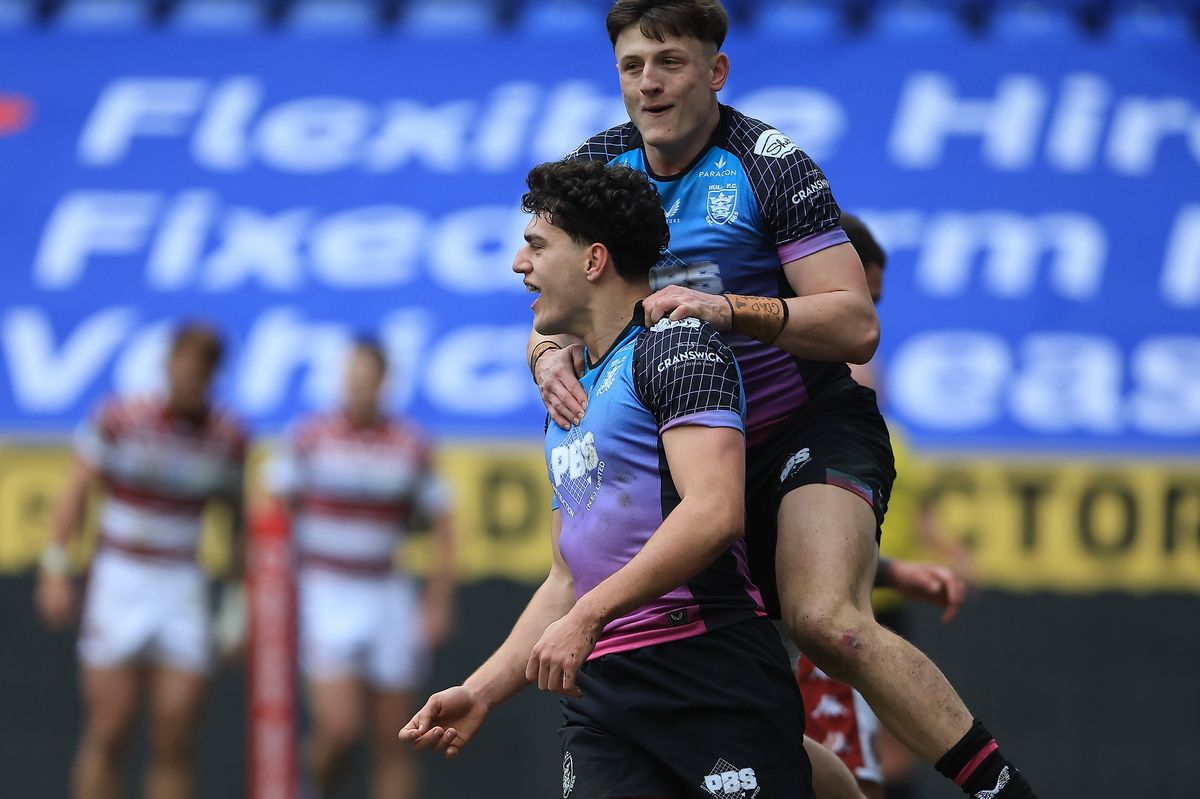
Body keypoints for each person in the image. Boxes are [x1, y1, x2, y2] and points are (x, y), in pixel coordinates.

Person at [528, 3, 1037, 797]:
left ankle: (1006, 791)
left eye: (670, 62)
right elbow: (549, 293)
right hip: (695, 457)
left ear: (716, 71)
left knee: (826, 621)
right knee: (720, 691)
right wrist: (542, 354)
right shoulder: (598, 165)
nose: (649, 83)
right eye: (632, 65)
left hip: (803, 427)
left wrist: (731, 309)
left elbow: (857, 324)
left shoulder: (771, 164)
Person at [403, 158, 817, 797]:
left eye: (537, 245)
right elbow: (567, 580)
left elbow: (713, 513)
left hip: (707, 670)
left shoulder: (678, 348)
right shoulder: (568, 394)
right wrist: (480, 692)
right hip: (602, 697)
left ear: (594, 260)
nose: (518, 263)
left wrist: (589, 616)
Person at [788, 213, 976, 799]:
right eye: (859, 301)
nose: (866, 333)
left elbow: (916, 516)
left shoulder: (889, 442)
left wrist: (920, 564)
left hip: (865, 601)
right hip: (798, 608)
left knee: (865, 747)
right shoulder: (755, 414)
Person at [36, 322, 248, 799]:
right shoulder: (120, 418)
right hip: (121, 577)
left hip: (182, 583)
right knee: (110, 727)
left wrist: (236, 604)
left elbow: (237, 523)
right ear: (167, 362)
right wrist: (55, 568)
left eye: (201, 369)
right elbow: (77, 491)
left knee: (175, 735)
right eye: (183, 364)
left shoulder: (227, 437)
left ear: (213, 375)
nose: (189, 377)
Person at [265, 338, 456, 799]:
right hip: (324, 589)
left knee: (398, 736)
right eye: (351, 375)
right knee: (340, 729)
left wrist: (436, 603)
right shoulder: (309, 436)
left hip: (387, 592)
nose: (357, 385)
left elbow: (444, 524)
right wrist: (274, 590)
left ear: (383, 381)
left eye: (366, 376)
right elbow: (272, 510)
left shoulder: (410, 443)